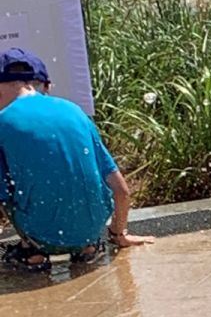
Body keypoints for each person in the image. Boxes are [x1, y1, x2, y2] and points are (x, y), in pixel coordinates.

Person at [0, 49, 150, 271]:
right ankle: (86, 248)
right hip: (92, 229)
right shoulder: (75, 111)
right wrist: (119, 234)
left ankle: (33, 252)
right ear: (43, 85)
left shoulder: (3, 121)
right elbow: (122, 191)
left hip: (41, 233)